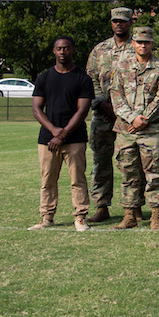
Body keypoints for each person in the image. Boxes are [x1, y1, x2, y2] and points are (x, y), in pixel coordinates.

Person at [29, 36, 95, 231]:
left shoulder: (82, 78)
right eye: (59, 48)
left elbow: (82, 111)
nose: (62, 52)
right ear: (54, 51)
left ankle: (80, 218)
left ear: (73, 50)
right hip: (48, 139)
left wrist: (62, 134)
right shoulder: (44, 77)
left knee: (78, 180)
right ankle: (47, 217)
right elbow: (37, 109)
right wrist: (53, 131)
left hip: (74, 138)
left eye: (66, 48)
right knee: (48, 180)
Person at [109, 26, 159, 230]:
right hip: (126, 130)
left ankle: (156, 216)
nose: (143, 45)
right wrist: (132, 118)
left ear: (152, 43)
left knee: (154, 173)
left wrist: (143, 119)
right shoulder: (122, 67)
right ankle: (130, 215)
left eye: (146, 42)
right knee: (128, 173)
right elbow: (116, 95)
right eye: (139, 42)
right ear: (133, 43)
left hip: (152, 130)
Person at [85, 6, 133, 223]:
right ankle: (101, 206)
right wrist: (103, 105)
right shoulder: (99, 50)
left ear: (130, 22)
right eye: (115, 21)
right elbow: (91, 78)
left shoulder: (138, 47)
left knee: (130, 162)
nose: (119, 24)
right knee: (101, 161)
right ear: (111, 23)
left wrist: (121, 110)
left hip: (129, 116)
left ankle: (133, 206)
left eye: (123, 20)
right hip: (103, 114)